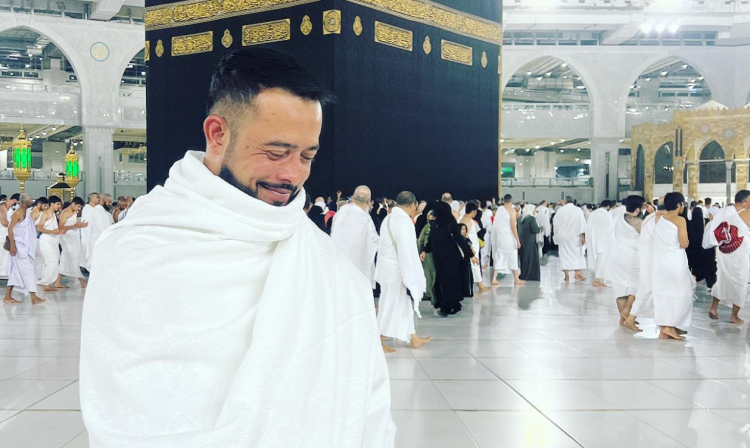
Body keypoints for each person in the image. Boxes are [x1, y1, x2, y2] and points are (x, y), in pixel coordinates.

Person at [80, 48, 395, 447]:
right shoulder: (136, 251)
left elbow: (369, 404)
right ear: (217, 134)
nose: (292, 174)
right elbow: (128, 418)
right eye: (276, 152)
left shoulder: (328, 265)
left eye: (307, 156)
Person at [376, 191, 431, 351]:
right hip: (396, 269)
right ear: (413, 204)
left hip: (389, 267)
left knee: (403, 303)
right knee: (390, 303)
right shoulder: (403, 221)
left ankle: (413, 337)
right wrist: (411, 273)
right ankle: (378, 339)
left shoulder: (389, 218)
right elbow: (406, 250)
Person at [653, 193, 694, 340]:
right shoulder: (679, 220)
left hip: (660, 262)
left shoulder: (660, 219)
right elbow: (684, 243)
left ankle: (666, 326)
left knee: (665, 293)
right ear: (678, 205)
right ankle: (669, 327)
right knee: (679, 293)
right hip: (674, 261)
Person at [601, 195, 645, 331]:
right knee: (637, 287)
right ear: (637, 209)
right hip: (631, 257)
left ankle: (623, 318)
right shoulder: (637, 222)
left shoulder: (617, 218)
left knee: (620, 290)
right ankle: (627, 314)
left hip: (615, 256)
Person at [706, 189, 750, 324]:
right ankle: (734, 316)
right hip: (740, 254)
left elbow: (714, 229)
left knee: (722, 279)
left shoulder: (723, 212)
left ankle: (714, 308)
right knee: (740, 282)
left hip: (724, 251)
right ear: (744, 202)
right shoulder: (746, 214)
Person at [424, 201, 474, 316]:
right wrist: (425, 250)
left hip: (451, 259)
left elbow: (460, 240)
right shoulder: (436, 224)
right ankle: (453, 305)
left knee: (448, 282)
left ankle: (446, 307)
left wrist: (470, 254)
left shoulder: (450, 224)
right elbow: (431, 240)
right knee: (445, 282)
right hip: (440, 259)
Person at [625, 203, 666, 331]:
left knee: (648, 289)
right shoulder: (660, 219)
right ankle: (630, 318)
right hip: (652, 260)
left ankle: (666, 324)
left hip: (646, 258)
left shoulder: (650, 217)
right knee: (647, 290)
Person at [330, 186, 379, 289]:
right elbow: (375, 242)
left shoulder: (340, 213)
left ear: (353, 197)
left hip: (337, 265)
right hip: (358, 269)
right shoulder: (366, 219)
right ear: (368, 201)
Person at [2, 194, 44, 305]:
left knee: (15, 272)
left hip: (25, 247)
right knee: (29, 271)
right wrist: (13, 246)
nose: (32, 202)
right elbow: (10, 230)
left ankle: (7, 297)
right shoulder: (18, 213)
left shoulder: (26, 213)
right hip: (19, 248)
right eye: (30, 200)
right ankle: (33, 296)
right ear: (25, 203)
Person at [54, 197, 89, 289]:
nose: (79, 209)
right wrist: (77, 225)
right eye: (78, 206)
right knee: (73, 258)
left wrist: (78, 225)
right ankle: (82, 281)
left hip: (74, 238)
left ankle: (57, 282)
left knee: (65, 259)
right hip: (67, 238)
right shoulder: (65, 212)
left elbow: (72, 224)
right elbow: (61, 226)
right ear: (73, 204)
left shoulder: (73, 212)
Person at [491, 194, 524, 286]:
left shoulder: (499, 210)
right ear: (511, 200)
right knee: (513, 257)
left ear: (503, 200)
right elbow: (513, 226)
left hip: (500, 238)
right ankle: (516, 279)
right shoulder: (511, 211)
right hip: (509, 238)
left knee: (500, 257)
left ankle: (494, 278)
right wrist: (517, 240)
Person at [553, 196, 587, 282]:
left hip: (563, 236)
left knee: (564, 255)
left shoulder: (560, 210)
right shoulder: (578, 210)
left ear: (565, 202)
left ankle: (566, 274)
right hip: (575, 236)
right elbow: (582, 223)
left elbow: (555, 223)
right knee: (577, 254)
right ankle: (577, 273)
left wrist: (557, 234)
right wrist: (583, 235)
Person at [686, 206, 717, 289]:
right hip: (701, 249)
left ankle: (690, 280)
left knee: (689, 264)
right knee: (699, 265)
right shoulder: (704, 223)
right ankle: (698, 279)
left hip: (690, 248)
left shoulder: (689, 223)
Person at [460, 202, 488, 293]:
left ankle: (480, 286)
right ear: (472, 211)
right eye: (475, 211)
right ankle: (471, 290)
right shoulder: (466, 221)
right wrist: (471, 250)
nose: (476, 213)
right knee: (472, 268)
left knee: (475, 267)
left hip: (473, 247)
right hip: (470, 248)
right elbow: (464, 237)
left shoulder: (465, 219)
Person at [80, 192, 112, 271]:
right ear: (91, 198)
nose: (99, 199)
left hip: (98, 236)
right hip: (91, 237)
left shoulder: (97, 209)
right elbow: (87, 225)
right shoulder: (87, 209)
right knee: (91, 254)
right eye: (97, 197)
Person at [37, 195, 62, 292]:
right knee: (52, 261)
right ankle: (45, 283)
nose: (59, 206)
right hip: (46, 241)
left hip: (54, 241)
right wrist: (52, 232)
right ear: (52, 204)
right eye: (58, 204)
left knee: (54, 260)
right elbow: (39, 228)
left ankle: (48, 282)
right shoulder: (45, 214)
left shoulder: (54, 215)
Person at [585, 200, 612, 287]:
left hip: (593, 239)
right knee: (602, 260)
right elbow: (610, 228)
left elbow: (588, 226)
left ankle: (599, 279)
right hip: (604, 240)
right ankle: (597, 280)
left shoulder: (593, 213)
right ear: (608, 206)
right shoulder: (607, 214)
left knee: (595, 259)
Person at [417, 208, 436, 305]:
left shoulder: (437, 227)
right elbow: (420, 240)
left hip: (435, 254)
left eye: (432, 217)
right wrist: (421, 251)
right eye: (429, 217)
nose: (431, 219)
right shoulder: (426, 227)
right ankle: (429, 293)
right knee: (428, 274)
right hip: (427, 255)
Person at [517, 203, 541, 281]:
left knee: (524, 259)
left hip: (522, 241)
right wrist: (541, 229)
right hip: (530, 242)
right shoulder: (531, 219)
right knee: (531, 259)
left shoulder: (520, 219)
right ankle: (531, 275)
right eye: (534, 210)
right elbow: (535, 229)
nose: (535, 212)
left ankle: (524, 274)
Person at [0, 194, 18, 279]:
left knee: (7, 257)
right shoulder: (2, 207)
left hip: (8, 234)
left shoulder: (9, 208)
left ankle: (6, 274)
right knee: (3, 256)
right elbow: (4, 222)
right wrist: (14, 224)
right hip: (2, 235)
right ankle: (2, 275)